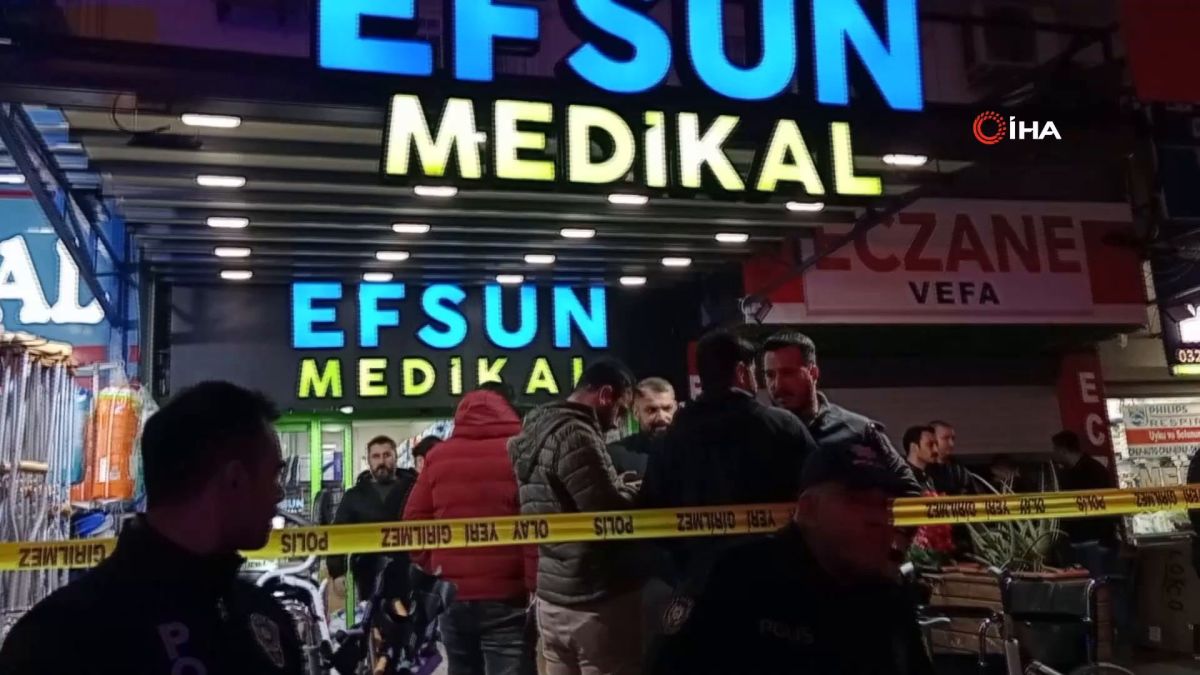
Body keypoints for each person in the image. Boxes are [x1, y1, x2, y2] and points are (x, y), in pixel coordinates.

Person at [0, 381, 304, 675]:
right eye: (273, 476)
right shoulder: (61, 640)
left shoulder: (264, 619)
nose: (278, 494)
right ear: (234, 479)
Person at [649, 443, 934, 675]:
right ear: (808, 509)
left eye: (884, 505)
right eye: (856, 500)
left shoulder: (887, 598)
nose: (877, 518)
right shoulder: (736, 577)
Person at [641, 330, 818, 579]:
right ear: (742, 372)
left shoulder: (667, 441)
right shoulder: (782, 427)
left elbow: (651, 518)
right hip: (774, 577)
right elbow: (819, 493)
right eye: (756, 372)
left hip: (697, 581)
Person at [508, 359, 641, 675]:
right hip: (591, 599)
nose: (617, 423)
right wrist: (634, 489)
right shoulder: (575, 434)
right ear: (605, 395)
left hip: (552, 598)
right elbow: (606, 514)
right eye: (620, 410)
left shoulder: (536, 430)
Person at [404, 382, 535, 675]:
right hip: (508, 593)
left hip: (453, 595)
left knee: (461, 667)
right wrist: (532, 583)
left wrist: (436, 566)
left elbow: (413, 521)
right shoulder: (522, 452)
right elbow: (536, 522)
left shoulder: (438, 456)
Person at [761, 330, 922, 496]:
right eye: (770, 375)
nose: (777, 385)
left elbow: (911, 492)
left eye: (788, 373)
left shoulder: (860, 431)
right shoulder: (757, 434)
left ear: (813, 373)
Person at [328, 435, 419, 604]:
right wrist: (337, 571)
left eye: (387, 455)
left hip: (411, 573)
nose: (381, 462)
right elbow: (338, 533)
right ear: (368, 460)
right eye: (376, 456)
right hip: (368, 574)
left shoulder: (415, 489)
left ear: (396, 457)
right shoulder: (354, 496)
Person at [1051, 430, 1119, 549]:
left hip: (1095, 541)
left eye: (1055, 449)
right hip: (1078, 539)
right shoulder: (1066, 473)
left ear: (1063, 450)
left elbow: (1104, 506)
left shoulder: (1094, 471)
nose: (1053, 454)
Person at [607, 377, 677, 477]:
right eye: (651, 410)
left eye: (667, 408)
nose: (661, 417)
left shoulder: (694, 452)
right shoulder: (615, 455)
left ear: (675, 407)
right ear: (636, 413)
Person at [927, 420, 979, 495]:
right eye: (945, 438)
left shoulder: (959, 469)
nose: (951, 444)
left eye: (953, 439)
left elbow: (974, 496)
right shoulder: (921, 469)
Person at [902, 425, 939, 491]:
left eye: (936, 444)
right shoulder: (901, 478)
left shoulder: (928, 477)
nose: (936, 450)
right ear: (913, 447)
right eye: (930, 444)